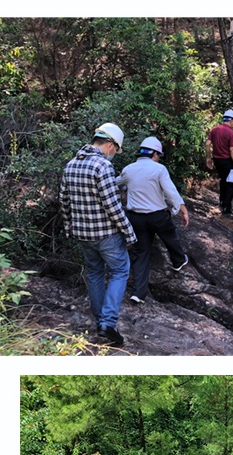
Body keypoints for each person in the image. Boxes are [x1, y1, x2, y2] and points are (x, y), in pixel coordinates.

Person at [60, 122, 137, 347]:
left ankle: (99, 321)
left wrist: (69, 227)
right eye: (116, 149)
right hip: (107, 235)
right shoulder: (103, 166)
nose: (114, 153)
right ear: (111, 145)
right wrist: (129, 233)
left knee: (94, 273)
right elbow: (113, 206)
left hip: (83, 235)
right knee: (119, 271)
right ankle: (108, 324)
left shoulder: (70, 165)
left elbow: (64, 201)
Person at [118, 136, 191, 304]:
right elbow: (171, 192)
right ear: (155, 154)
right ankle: (179, 261)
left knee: (140, 253)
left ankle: (138, 293)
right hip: (157, 216)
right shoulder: (159, 169)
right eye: (158, 155)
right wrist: (183, 210)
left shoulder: (129, 169)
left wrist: (126, 188)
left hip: (136, 218)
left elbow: (115, 183)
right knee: (170, 237)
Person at [205, 109, 233, 215]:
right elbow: (232, 149)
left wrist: (208, 158)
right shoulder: (231, 133)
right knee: (230, 183)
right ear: (231, 120)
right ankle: (226, 207)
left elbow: (207, 144)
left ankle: (221, 202)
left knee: (223, 180)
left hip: (217, 160)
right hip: (227, 160)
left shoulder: (214, 130)